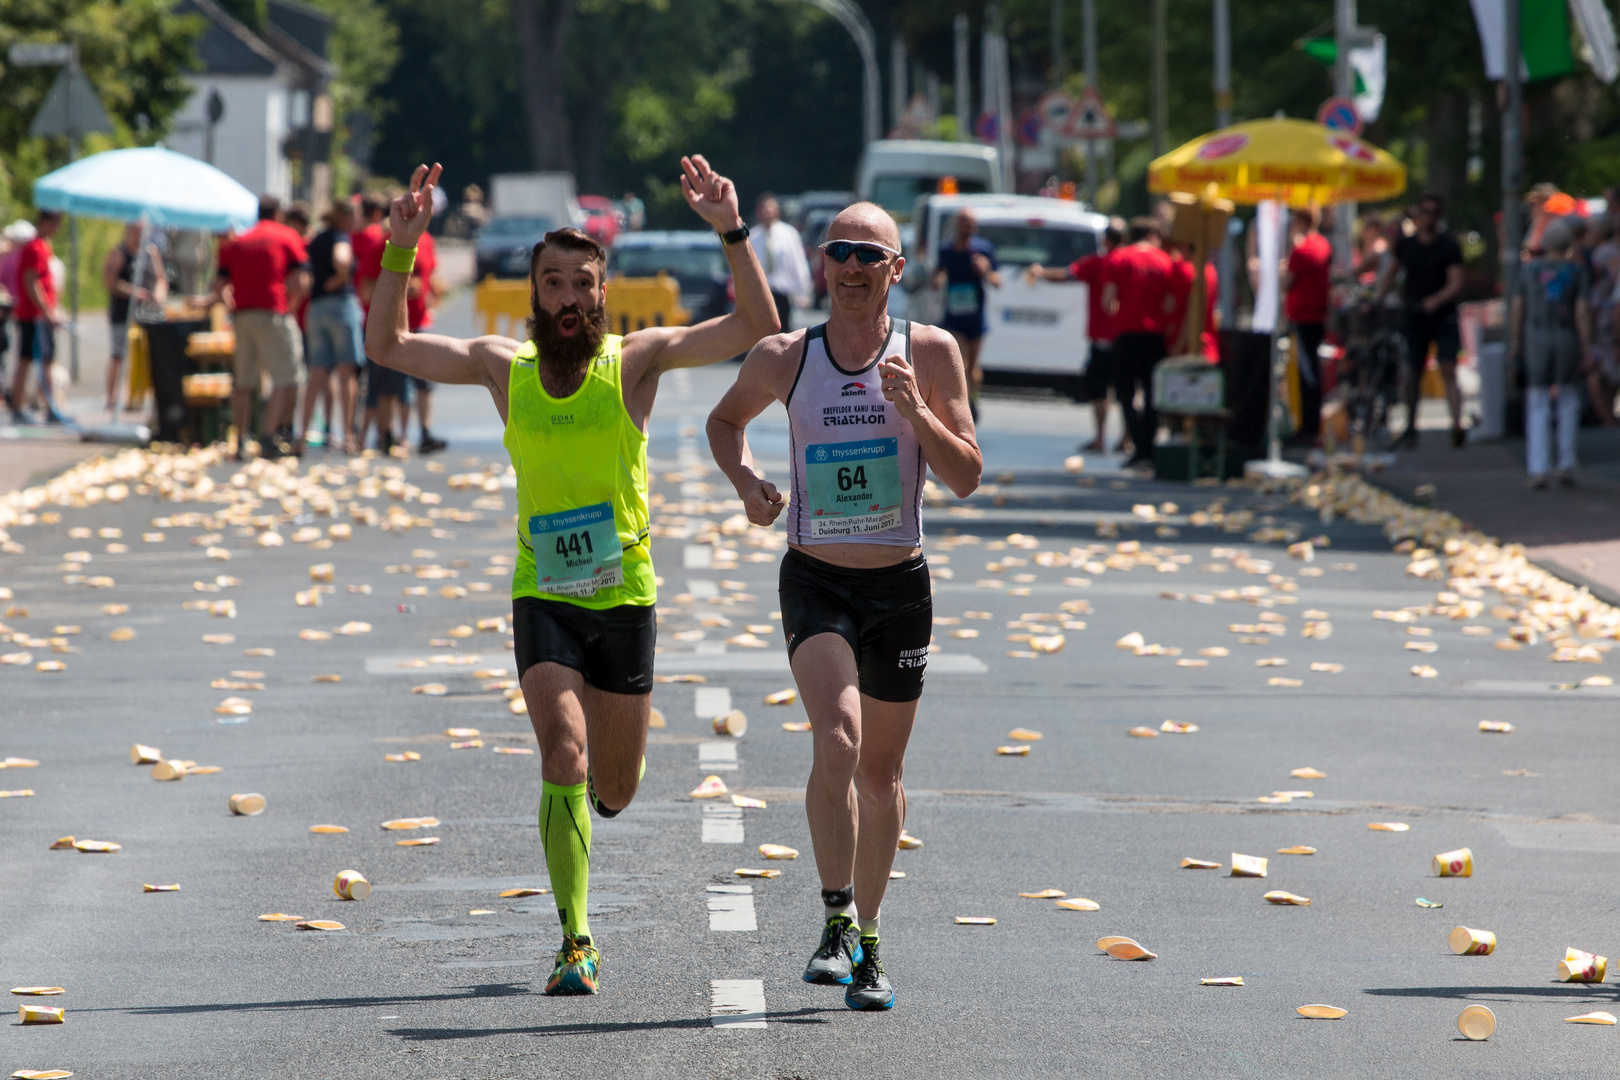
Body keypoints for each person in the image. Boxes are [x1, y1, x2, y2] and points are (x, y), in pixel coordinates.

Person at [366, 155, 777, 996]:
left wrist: (731, 230)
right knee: (563, 752)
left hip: (623, 598)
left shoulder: (634, 362)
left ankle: (592, 815)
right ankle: (575, 938)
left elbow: (754, 325)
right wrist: (399, 250)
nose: (565, 298)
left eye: (580, 283)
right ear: (534, 296)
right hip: (543, 592)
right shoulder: (500, 367)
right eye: (550, 282)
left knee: (616, 790)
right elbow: (387, 345)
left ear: (602, 293)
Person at [707, 203, 982, 1012]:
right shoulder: (786, 356)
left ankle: (869, 939)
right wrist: (749, 482)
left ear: (897, 269)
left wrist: (916, 410)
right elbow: (725, 422)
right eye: (840, 253)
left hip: (901, 586)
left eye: (870, 255)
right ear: (823, 265)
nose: (852, 267)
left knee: (882, 771)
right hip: (816, 578)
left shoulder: (930, 352)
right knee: (839, 737)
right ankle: (833, 921)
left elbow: (965, 476)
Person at [210, 195, 311, 459]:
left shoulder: (239, 241)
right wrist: (291, 306)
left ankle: (240, 440)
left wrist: (230, 304)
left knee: (244, 381)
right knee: (286, 376)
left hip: (243, 315)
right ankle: (269, 435)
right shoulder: (286, 236)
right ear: (277, 214)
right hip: (273, 312)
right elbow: (300, 278)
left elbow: (219, 284)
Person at [1026, 218, 1124, 453]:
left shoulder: (1099, 263)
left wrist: (1040, 272)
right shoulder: (1133, 262)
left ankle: (1100, 438)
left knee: (1099, 389)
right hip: (1129, 338)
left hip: (1103, 339)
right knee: (1126, 391)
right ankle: (1127, 439)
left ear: (1105, 240)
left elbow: (1067, 275)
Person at [1378, 192, 1465, 447]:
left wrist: (1436, 300)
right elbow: (1391, 273)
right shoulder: (1407, 245)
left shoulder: (1449, 246)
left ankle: (1457, 425)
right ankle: (1410, 426)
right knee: (1412, 371)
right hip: (1414, 314)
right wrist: (1378, 298)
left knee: (1448, 368)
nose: (1428, 217)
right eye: (1424, 211)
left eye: (1433, 212)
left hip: (1442, 315)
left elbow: (1456, 282)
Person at [1509, 219, 1591, 488]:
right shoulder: (1576, 272)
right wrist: (1586, 345)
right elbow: (1581, 312)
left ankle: (1538, 467)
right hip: (1567, 337)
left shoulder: (1529, 271)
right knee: (1568, 398)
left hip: (1536, 338)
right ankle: (1566, 463)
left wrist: (1515, 341)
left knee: (1537, 401)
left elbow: (1518, 308)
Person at [1109, 217, 1176, 469]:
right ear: (1152, 235)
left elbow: (1109, 301)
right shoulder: (1165, 261)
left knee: (1125, 393)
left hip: (1126, 335)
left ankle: (1137, 445)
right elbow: (1170, 303)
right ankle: (1149, 446)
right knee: (1152, 394)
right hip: (1155, 337)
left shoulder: (1120, 258)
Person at [300, 202, 365, 451]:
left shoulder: (317, 239)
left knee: (317, 372)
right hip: (341, 304)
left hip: (316, 308)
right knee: (347, 371)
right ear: (345, 218)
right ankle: (348, 435)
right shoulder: (341, 237)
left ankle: (301, 435)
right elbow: (342, 259)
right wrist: (341, 277)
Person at [930, 208, 1001, 421]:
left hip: (975, 316)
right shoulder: (947, 250)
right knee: (962, 361)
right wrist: (936, 280)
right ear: (956, 224)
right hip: (954, 316)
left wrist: (985, 271)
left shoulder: (983, 250)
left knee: (973, 366)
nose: (966, 227)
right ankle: (962, 404)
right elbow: (936, 276)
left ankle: (973, 398)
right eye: (963, 222)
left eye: (970, 223)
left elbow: (997, 281)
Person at [353, 193, 407, 453]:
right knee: (380, 384)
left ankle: (387, 433)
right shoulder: (380, 243)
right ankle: (379, 435)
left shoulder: (416, 241)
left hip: (404, 322)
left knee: (393, 386)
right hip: (381, 323)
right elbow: (365, 288)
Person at [8, 210, 68, 425]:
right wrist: (47, 311)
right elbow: (31, 282)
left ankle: (49, 406)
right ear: (45, 222)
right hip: (34, 316)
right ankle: (21, 406)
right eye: (55, 222)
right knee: (30, 360)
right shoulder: (35, 248)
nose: (58, 227)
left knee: (45, 360)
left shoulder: (43, 246)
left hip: (37, 315)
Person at [103, 223, 168, 417]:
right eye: (136, 232)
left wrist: (158, 293)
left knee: (147, 354)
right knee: (118, 355)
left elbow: (161, 279)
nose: (139, 237)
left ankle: (141, 397)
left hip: (147, 314)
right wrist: (133, 292)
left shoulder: (150, 252)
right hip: (122, 312)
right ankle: (111, 399)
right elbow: (109, 281)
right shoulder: (119, 252)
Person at [1283, 207, 1331, 444]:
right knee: (1309, 372)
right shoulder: (1323, 244)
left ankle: (1309, 428)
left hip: (1304, 317)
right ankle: (1310, 426)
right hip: (1317, 316)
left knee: (1308, 375)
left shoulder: (1302, 249)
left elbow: (1285, 282)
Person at [751, 192, 812, 332]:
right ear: (758, 212)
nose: (767, 213)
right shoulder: (752, 237)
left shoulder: (789, 235)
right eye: (763, 209)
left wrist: (803, 292)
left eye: (770, 208)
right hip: (761, 296)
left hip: (782, 295)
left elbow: (798, 264)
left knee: (783, 333)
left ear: (776, 210)